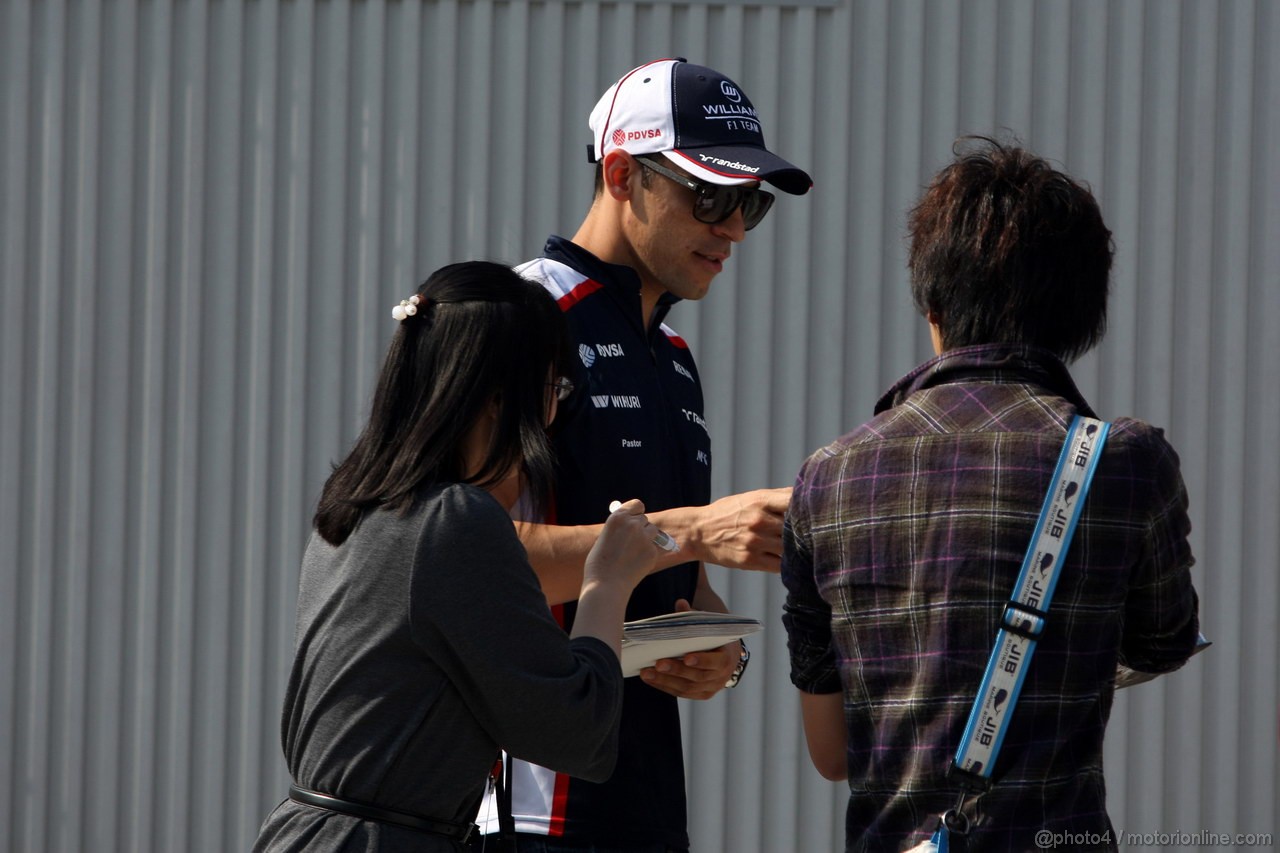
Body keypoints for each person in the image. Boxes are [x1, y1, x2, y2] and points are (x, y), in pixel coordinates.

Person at [781, 138, 1201, 852]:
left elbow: (833, 752)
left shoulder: (829, 475)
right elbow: (1166, 639)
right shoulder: (1123, 461)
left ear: (932, 298)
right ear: (1080, 316)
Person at [473, 59, 813, 852]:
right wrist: (692, 530)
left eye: (750, 203)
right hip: (529, 810)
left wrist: (718, 656)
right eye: (711, 195)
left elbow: (678, 583)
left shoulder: (676, 355)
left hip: (647, 808)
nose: (732, 227)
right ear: (622, 175)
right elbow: (464, 558)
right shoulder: (519, 315)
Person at [252, 261, 670, 853]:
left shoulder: (356, 507)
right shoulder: (455, 521)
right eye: (554, 389)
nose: (553, 415)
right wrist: (607, 580)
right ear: (502, 399)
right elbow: (573, 731)